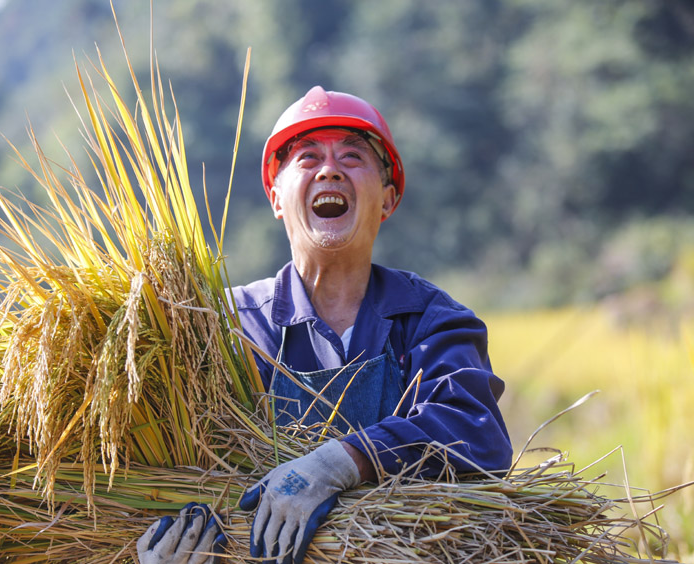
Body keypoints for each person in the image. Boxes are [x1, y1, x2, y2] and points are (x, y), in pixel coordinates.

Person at [137, 86, 512, 564]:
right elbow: (166, 467)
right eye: (308, 157)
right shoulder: (218, 328)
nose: (329, 169)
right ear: (276, 198)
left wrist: (345, 460)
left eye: (352, 157)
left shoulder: (431, 322)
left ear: (388, 199)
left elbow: (477, 434)